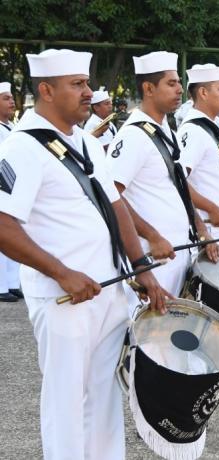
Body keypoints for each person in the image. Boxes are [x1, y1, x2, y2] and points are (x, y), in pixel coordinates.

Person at [0, 48, 167, 460]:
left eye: (87, 83)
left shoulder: (85, 144)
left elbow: (116, 207)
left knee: (103, 395)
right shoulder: (22, 147)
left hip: (107, 291)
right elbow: (3, 224)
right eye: (77, 85)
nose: (88, 92)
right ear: (46, 90)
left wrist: (142, 267)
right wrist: (62, 273)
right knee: (66, 401)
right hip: (65, 299)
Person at [107, 51, 219, 298]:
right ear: (148, 88)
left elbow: (180, 186)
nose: (179, 89)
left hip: (178, 249)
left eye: (179, 82)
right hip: (152, 255)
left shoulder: (165, 130)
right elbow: (110, 194)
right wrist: (152, 236)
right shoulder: (133, 135)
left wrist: (201, 229)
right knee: (151, 333)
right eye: (171, 83)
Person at [177, 64, 219, 241]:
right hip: (208, 230)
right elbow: (178, 180)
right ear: (203, 93)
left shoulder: (215, 126)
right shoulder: (193, 131)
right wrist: (211, 209)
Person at [0, 81, 21, 302]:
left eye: (12, 98)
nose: (12, 101)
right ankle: (1, 285)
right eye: (6, 98)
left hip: (11, 186)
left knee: (15, 234)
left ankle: (13, 283)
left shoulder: (11, 126)